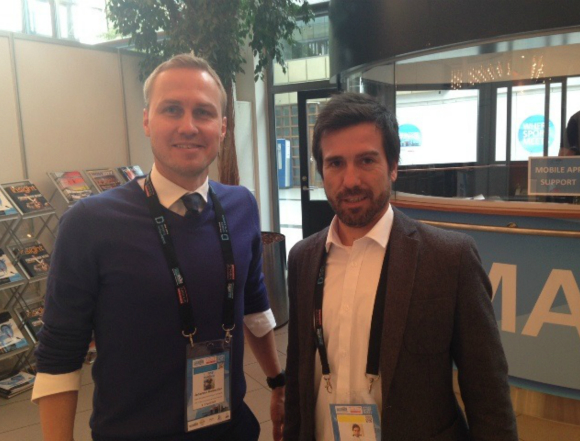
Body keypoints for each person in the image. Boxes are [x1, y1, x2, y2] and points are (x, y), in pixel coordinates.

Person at [33, 54, 285, 441]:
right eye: (172, 109)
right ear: (147, 120)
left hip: (232, 430)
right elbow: (58, 354)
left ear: (222, 127)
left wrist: (278, 382)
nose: (188, 126)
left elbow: (254, 305)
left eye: (203, 112)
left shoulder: (241, 206)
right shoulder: (90, 223)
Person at [284, 93, 518, 441]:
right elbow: (298, 379)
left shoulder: (450, 259)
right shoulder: (303, 258)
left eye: (366, 160)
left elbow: (489, 397)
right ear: (321, 171)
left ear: (393, 166)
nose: (350, 180)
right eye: (335, 163)